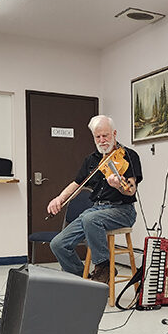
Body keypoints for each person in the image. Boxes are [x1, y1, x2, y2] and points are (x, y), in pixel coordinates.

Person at [49, 115, 143, 284]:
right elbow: (76, 184)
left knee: (89, 218)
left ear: (114, 133)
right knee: (58, 244)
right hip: (95, 211)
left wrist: (118, 186)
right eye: (97, 137)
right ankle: (83, 281)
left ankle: (103, 267)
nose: (102, 140)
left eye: (105, 135)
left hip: (122, 210)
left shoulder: (129, 156)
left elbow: (130, 190)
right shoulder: (92, 160)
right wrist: (59, 199)